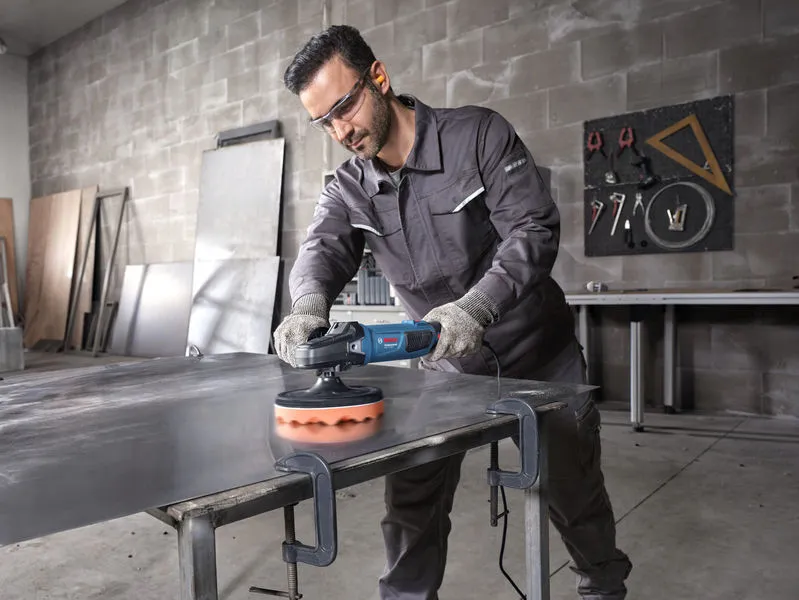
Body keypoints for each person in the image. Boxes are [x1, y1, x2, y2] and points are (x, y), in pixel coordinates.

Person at [273, 25, 632, 600]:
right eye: (324, 122)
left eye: (344, 107)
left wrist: (476, 308)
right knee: (411, 500)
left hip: (539, 358)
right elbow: (322, 249)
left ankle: (603, 589)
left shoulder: (479, 135)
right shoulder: (347, 188)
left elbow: (533, 229)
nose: (341, 131)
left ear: (378, 77)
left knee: (574, 495)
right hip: (444, 368)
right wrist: (307, 306)